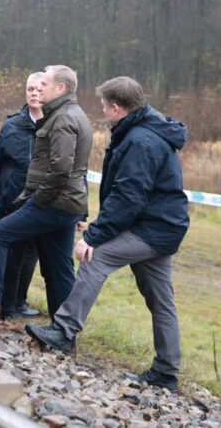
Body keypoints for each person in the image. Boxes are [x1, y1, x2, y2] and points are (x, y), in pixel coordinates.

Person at [27, 77, 189, 392]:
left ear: (116, 108)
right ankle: (166, 373)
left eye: (104, 106)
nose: (102, 111)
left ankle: (63, 331)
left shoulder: (140, 140)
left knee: (95, 256)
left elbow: (129, 197)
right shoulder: (144, 129)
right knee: (161, 300)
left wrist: (95, 235)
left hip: (152, 227)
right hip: (162, 224)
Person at [0, 65, 92, 319]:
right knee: (58, 267)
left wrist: (38, 199)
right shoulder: (72, 113)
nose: (39, 89)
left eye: (45, 84)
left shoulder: (63, 118)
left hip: (53, 202)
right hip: (66, 203)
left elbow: (62, 169)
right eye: (34, 86)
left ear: (61, 88)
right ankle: (62, 330)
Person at [0, 72, 46, 319]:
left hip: (42, 204)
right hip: (11, 201)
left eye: (39, 90)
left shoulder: (56, 126)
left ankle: (19, 301)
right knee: (11, 255)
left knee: (30, 256)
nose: (34, 94)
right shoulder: (12, 125)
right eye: (30, 89)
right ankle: (3, 304)